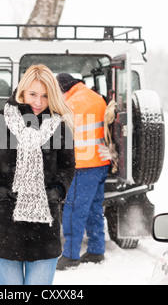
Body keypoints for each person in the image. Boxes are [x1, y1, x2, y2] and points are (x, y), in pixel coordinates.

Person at [0, 65, 76, 285]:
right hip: (5, 227)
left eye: (45, 96)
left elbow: (67, 166)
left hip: (44, 230)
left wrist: (58, 190)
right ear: (22, 91)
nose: (38, 102)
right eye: (33, 94)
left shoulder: (59, 126)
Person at [56, 73, 111, 270]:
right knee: (94, 208)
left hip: (82, 165)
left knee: (73, 210)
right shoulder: (98, 99)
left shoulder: (70, 104)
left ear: (64, 89)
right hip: (100, 163)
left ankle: (70, 255)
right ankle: (96, 250)